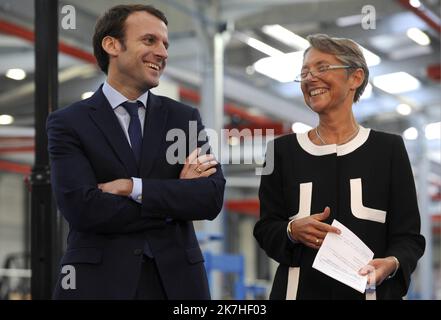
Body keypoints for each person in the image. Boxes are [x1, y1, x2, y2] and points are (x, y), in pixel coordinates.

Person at [47, 4, 225, 299]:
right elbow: (82, 208)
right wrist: (175, 197)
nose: (163, 53)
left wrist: (135, 187)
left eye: (165, 45)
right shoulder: (68, 122)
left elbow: (210, 197)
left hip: (176, 285)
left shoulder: (183, 118)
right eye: (150, 40)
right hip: (97, 284)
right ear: (112, 45)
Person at [253, 34, 425, 300]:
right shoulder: (281, 151)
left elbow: (409, 237)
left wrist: (392, 263)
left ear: (355, 78)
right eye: (304, 72)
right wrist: (291, 230)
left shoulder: (388, 150)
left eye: (322, 68)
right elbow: (265, 229)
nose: (310, 78)